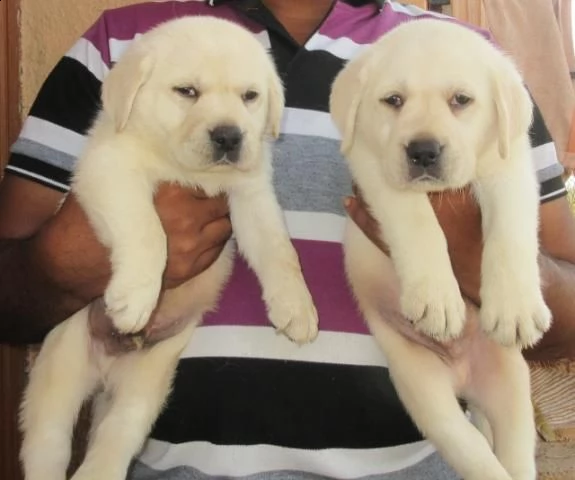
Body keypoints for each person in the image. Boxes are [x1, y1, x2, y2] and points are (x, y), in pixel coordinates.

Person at [1, 0, 574, 478]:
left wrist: (480, 262)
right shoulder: (123, 46)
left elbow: (565, 312)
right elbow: (8, 301)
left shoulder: (466, 55)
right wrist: (75, 258)